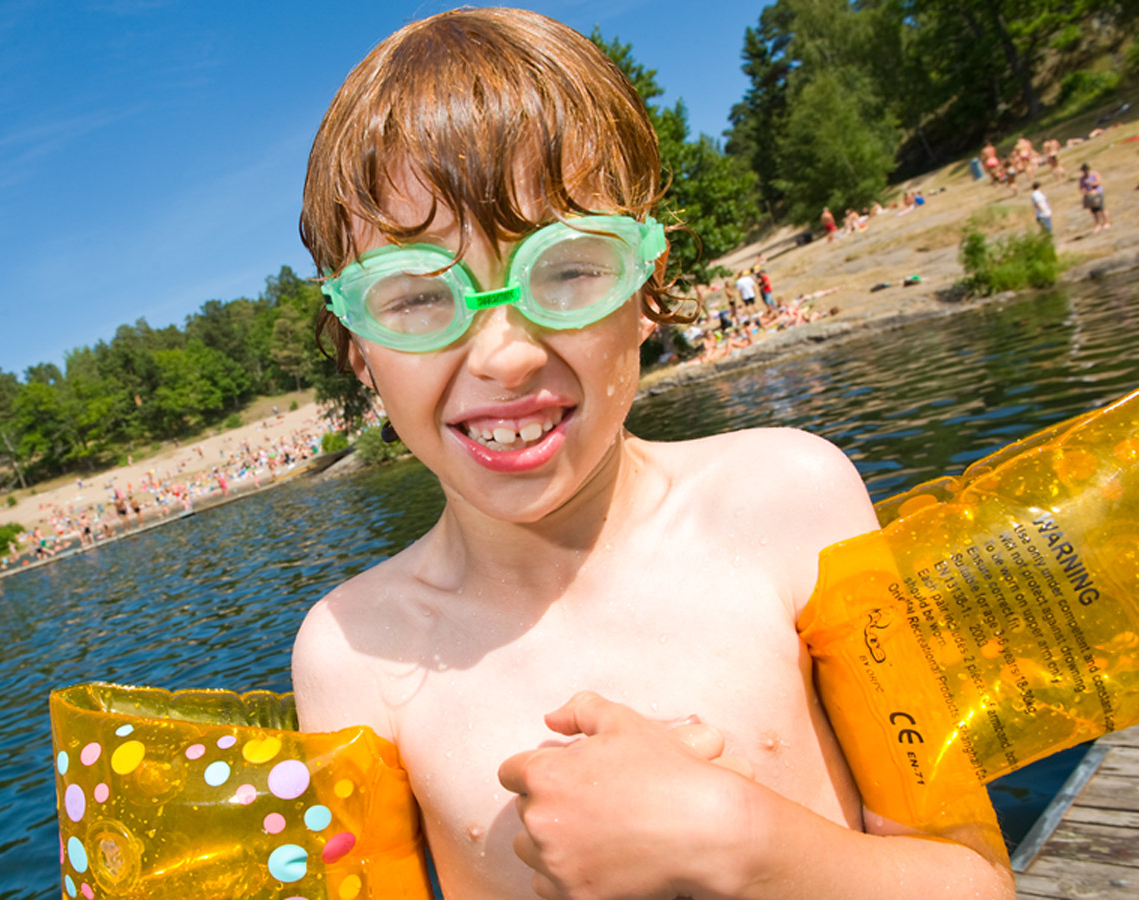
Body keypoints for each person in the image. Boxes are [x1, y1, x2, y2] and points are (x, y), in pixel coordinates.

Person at [290, 9, 1012, 900]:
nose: (504, 354)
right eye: (414, 298)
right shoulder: (353, 654)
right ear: (358, 346)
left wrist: (739, 843)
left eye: (568, 270)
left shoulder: (790, 502)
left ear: (647, 286)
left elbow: (975, 878)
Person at [1079, 163, 1111, 232]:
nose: (1084, 172)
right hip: (1089, 195)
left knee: (1102, 208)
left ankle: (1107, 222)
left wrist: (1091, 183)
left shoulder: (1094, 174)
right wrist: (1085, 191)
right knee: (1094, 211)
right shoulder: (1082, 178)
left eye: (1085, 170)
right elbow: (1081, 188)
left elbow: (1099, 182)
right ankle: (1098, 225)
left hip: (1098, 193)